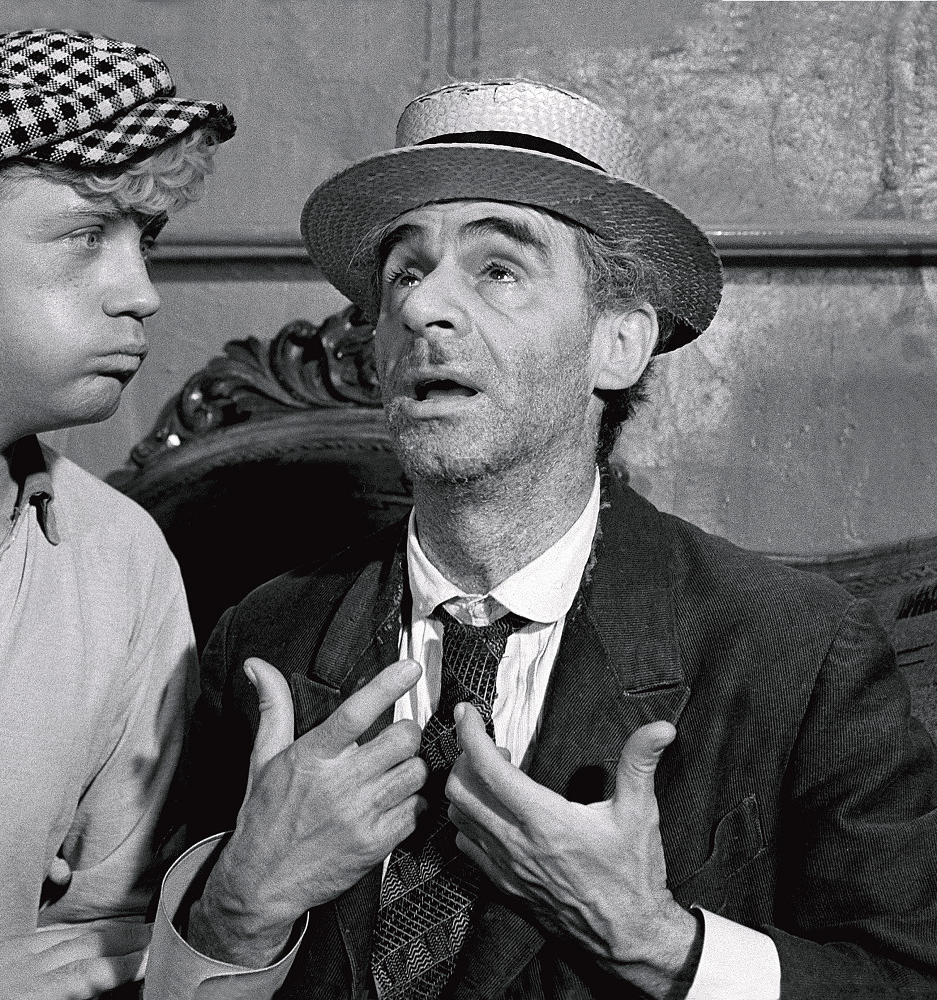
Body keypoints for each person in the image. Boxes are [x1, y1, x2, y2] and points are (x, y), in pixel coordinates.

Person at [146, 80, 937, 999]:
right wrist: (238, 908)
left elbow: (905, 978)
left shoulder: (792, 650)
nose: (422, 309)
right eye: (405, 273)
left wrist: (660, 944)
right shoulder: (266, 638)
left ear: (617, 346)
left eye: (497, 269)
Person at [0, 28, 235, 999]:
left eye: (146, 241)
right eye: (84, 236)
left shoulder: (119, 558)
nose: (141, 294)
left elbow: (104, 937)